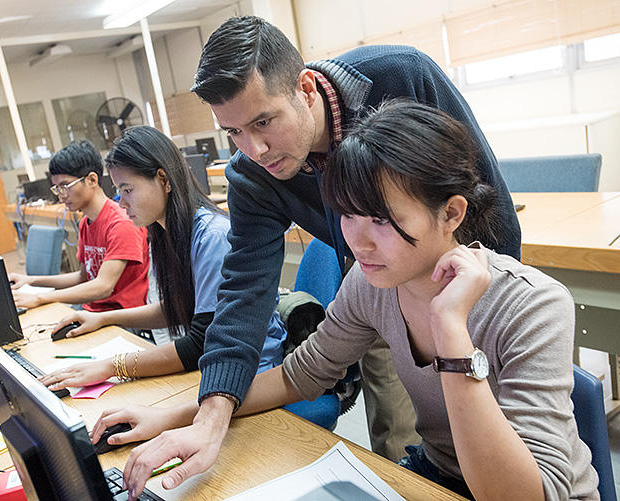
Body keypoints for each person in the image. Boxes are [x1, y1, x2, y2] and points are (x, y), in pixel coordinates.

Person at [97, 100, 598, 501]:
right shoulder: (371, 280)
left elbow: (522, 494)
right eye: (347, 215)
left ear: (451, 214)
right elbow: (300, 374)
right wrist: (182, 415)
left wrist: (451, 329)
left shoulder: (533, 305)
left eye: (380, 219)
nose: (357, 241)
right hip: (438, 476)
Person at [118, 14, 524, 491]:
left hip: (467, 296)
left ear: (306, 88)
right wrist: (208, 414)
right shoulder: (254, 176)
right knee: (405, 444)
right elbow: (244, 293)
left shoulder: (400, 78)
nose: (256, 149)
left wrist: (486, 317)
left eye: (264, 121)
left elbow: (484, 206)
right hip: (377, 291)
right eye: (233, 133)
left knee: (494, 438)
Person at [38, 126, 286, 389]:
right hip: (214, 367)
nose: (121, 203)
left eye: (128, 190)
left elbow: (200, 342)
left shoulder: (212, 237)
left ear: (164, 180)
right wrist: (103, 318)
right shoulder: (164, 232)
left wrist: (112, 366)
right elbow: (177, 308)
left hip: (250, 372)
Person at [8, 140, 149, 312]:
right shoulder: (85, 223)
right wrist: (30, 280)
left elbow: (103, 286)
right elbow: (84, 277)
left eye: (65, 186)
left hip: (122, 318)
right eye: (57, 188)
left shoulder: (121, 223)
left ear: (91, 180)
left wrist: (39, 297)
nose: (61, 196)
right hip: (93, 311)